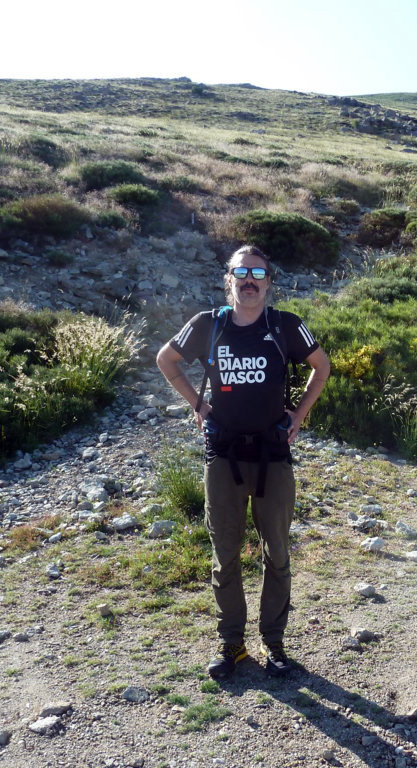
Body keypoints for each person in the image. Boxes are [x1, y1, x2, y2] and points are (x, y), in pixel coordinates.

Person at [156, 244, 330, 679]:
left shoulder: (284, 326)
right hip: (223, 457)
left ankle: (275, 644)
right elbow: (166, 360)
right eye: (241, 272)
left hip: (274, 456)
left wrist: (299, 414)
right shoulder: (207, 325)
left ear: (269, 282)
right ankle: (231, 643)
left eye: (258, 273)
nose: (249, 280)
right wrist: (199, 405)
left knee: (278, 553)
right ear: (228, 280)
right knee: (225, 554)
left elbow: (321, 367)